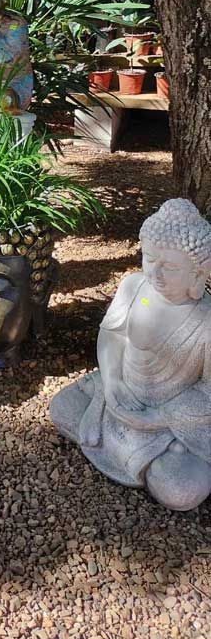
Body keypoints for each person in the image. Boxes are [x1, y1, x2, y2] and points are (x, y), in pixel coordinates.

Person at [50, 198, 211, 511]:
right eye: (150, 259)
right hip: (119, 396)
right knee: (61, 408)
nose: (156, 273)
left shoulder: (206, 322)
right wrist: (111, 382)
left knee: (182, 490)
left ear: (198, 273)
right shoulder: (135, 288)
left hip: (170, 423)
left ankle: (150, 455)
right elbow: (112, 335)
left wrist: (157, 417)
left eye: (171, 267)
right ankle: (132, 452)